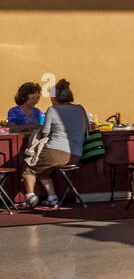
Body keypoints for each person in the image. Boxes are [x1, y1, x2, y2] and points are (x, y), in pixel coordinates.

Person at [21, 79, 90, 210]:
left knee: (29, 167)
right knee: (43, 170)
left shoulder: (53, 110)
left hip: (55, 152)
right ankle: (52, 199)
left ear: (54, 98)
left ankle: (30, 197)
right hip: (75, 155)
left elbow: (45, 134)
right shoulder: (80, 109)